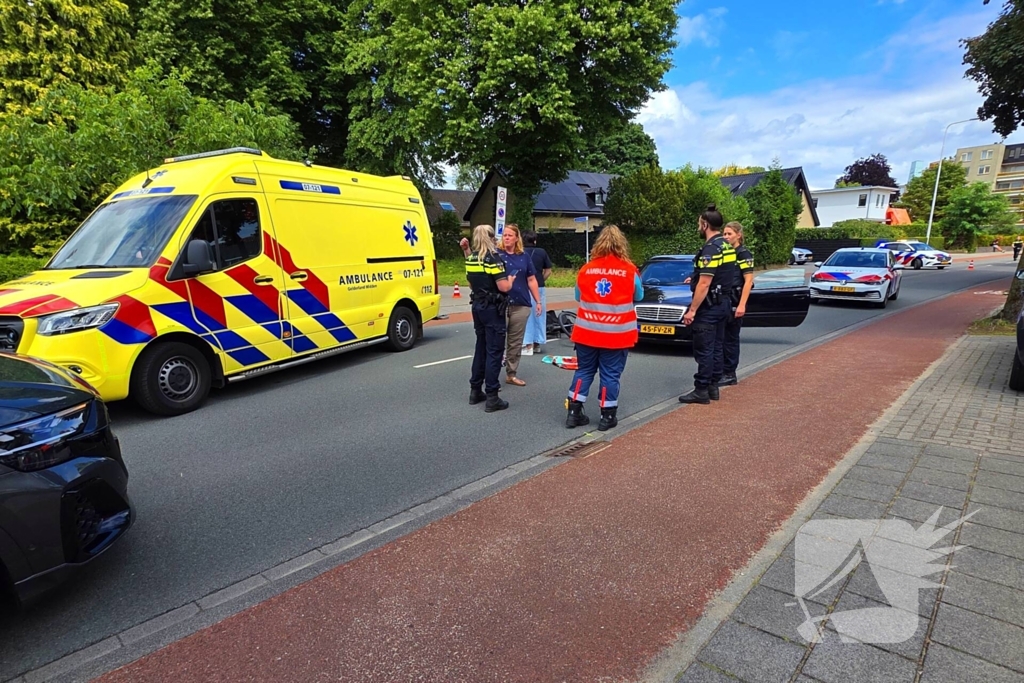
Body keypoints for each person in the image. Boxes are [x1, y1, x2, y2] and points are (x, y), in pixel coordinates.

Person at [565, 226, 644, 431]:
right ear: (621, 245)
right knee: (610, 374)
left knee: (584, 370)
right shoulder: (629, 271)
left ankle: (574, 412)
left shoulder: (586, 269)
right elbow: (639, 297)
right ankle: (607, 416)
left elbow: (578, 297)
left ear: (598, 245)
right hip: (616, 334)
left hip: (586, 332)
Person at [679, 205, 736, 405]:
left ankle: (701, 390)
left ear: (705, 224)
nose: (697, 226)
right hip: (724, 304)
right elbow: (720, 274)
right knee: (717, 347)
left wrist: (692, 310)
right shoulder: (727, 246)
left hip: (709, 308)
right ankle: (713, 387)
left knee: (704, 349)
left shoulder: (710, 248)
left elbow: (705, 283)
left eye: (698, 223)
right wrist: (694, 278)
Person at [460, 225, 516, 412]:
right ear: (491, 237)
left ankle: (475, 390)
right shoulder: (493, 258)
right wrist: (511, 281)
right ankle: (492, 396)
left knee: (481, 348)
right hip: (493, 308)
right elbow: (503, 287)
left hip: (477, 307)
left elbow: (470, 282)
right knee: (495, 351)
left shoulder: (472, 258)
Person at [496, 224, 542, 386]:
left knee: (515, 342)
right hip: (500, 304)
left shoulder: (524, 257)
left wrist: (538, 301)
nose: (507, 238)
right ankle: (492, 376)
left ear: (516, 238)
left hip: (521, 304)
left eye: (510, 235)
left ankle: (511, 373)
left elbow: (531, 279)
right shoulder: (496, 255)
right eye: (504, 235)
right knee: (497, 340)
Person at [720, 221, 755, 387]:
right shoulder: (725, 254)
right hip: (724, 300)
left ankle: (730, 373)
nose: (726, 237)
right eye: (724, 234)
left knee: (731, 339)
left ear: (738, 235)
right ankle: (721, 371)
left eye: (729, 234)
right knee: (721, 338)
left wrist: (742, 305)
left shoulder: (743, 254)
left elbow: (748, 282)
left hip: (735, 300)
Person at [523, 231, 554, 353]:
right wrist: (540, 279)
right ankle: (537, 343)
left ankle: (527, 344)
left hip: (524, 286)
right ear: (534, 241)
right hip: (539, 286)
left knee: (526, 315)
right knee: (539, 314)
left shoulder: (519, 252)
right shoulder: (541, 252)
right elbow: (548, 270)